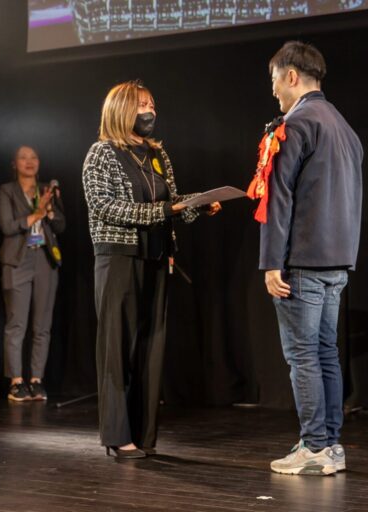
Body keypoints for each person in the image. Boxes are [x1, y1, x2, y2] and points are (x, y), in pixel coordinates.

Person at [82, 80, 220, 459]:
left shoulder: (157, 154)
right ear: (122, 109)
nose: (150, 111)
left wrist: (198, 203)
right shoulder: (102, 153)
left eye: (152, 104)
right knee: (117, 347)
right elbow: (105, 207)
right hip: (119, 258)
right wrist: (166, 210)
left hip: (157, 257)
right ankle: (116, 435)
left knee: (149, 346)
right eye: (142, 104)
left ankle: (143, 434)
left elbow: (169, 201)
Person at [257, 41, 363, 475]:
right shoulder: (343, 126)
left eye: (275, 80)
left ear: (292, 76)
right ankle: (331, 446)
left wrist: (270, 262)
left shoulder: (296, 124)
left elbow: (277, 198)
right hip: (337, 261)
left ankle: (314, 446)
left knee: (304, 356)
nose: (274, 91)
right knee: (324, 354)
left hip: (301, 262)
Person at [0, 145, 65, 402]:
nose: (29, 161)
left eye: (34, 157)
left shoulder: (47, 190)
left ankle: (36, 380)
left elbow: (61, 224)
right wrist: (36, 212)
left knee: (42, 325)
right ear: (14, 163)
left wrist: (49, 211)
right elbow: (7, 226)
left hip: (44, 259)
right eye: (23, 157)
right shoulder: (7, 191)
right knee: (16, 323)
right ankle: (16, 382)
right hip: (17, 260)